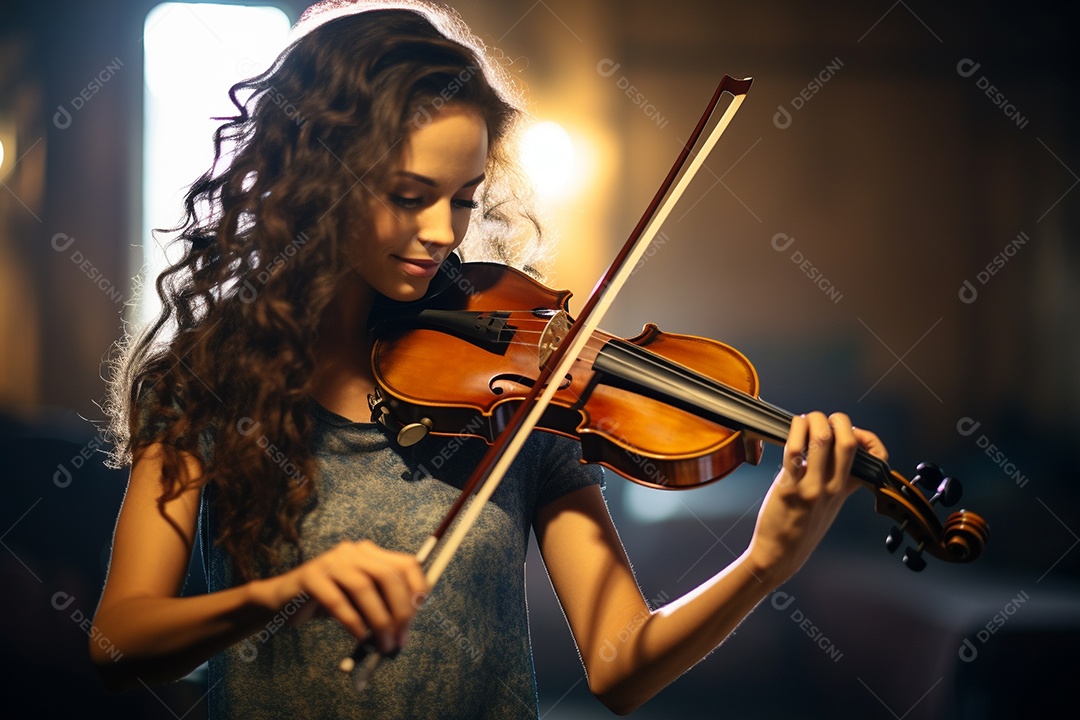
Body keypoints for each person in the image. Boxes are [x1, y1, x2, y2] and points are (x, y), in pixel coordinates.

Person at [91, 1, 888, 717]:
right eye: (409, 195)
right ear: (316, 177)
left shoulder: (521, 397)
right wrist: (282, 592)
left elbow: (620, 668)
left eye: (464, 198)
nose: (444, 231)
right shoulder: (204, 381)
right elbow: (118, 643)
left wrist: (763, 563)